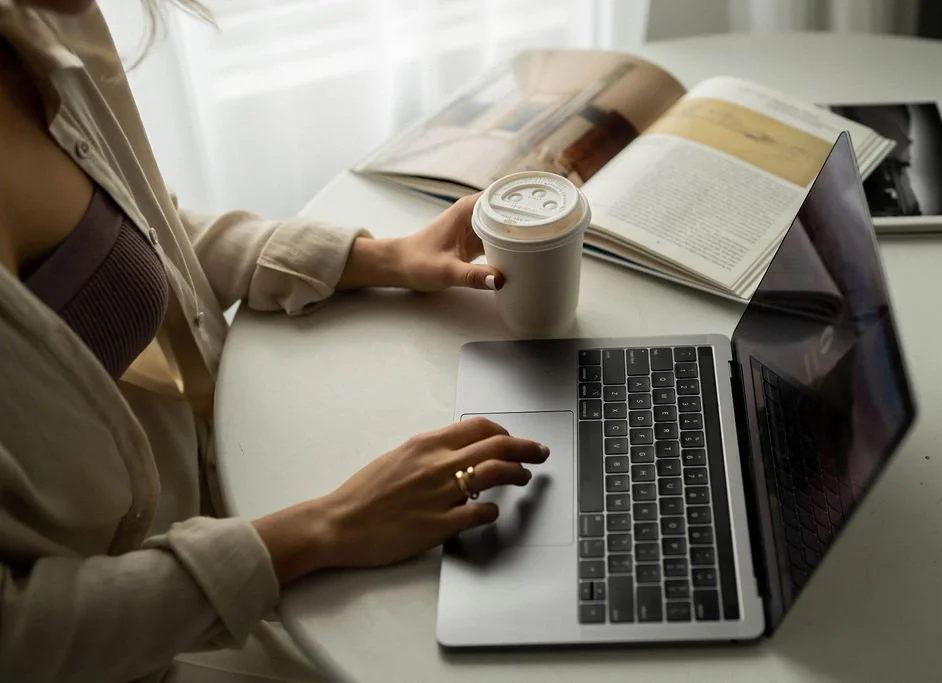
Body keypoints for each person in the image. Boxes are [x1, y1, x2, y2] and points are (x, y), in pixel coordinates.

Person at [0, 0, 550, 681]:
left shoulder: (40, 25)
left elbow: (135, 227)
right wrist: (328, 527)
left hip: (203, 508)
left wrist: (374, 258)